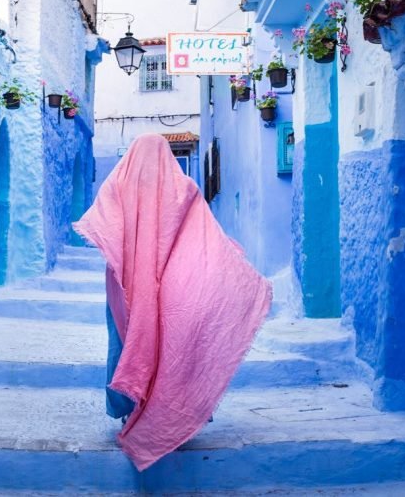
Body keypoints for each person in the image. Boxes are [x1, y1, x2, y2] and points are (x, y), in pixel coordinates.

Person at [73, 134, 271, 471]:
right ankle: (169, 417)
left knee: (125, 343)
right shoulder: (184, 189)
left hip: (124, 284)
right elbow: (204, 237)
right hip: (170, 284)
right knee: (171, 346)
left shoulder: (118, 184)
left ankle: (128, 411)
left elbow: (100, 225)